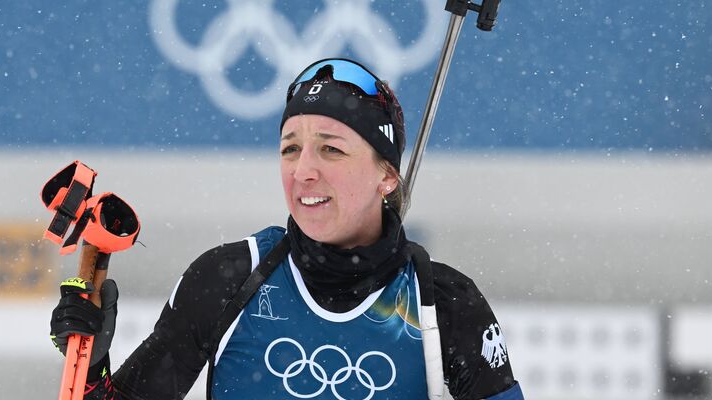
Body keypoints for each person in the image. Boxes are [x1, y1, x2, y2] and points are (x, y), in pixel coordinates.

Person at [50, 58, 525, 400]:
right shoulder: (228, 279)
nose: (303, 171)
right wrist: (91, 366)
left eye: (331, 149)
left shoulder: (442, 302)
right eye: (290, 149)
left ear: (387, 175)